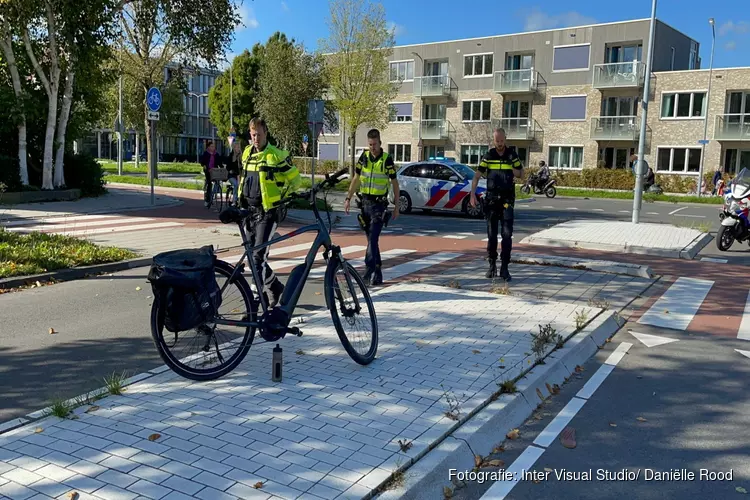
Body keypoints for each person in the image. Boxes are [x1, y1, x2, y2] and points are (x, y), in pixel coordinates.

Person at [237, 117, 302, 308]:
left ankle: (255, 301)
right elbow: (244, 180)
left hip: (268, 213)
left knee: (258, 259)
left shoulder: (276, 156)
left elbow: (295, 180)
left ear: (266, 133)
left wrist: (283, 197)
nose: (256, 138)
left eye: (259, 134)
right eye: (253, 134)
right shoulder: (247, 153)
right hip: (249, 213)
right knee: (252, 258)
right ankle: (275, 287)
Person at [343, 128, 399, 286]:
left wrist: (396, 207)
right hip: (365, 205)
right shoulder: (364, 157)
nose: (372, 147)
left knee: (373, 239)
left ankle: (368, 271)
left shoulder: (387, 159)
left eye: (374, 144)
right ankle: (378, 273)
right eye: (370, 144)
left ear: (380, 142)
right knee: (371, 241)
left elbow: (395, 183)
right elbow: (356, 178)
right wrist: (348, 198)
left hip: (379, 206)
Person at [469, 127, 523, 281]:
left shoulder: (512, 154)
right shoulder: (489, 155)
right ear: (494, 141)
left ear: (505, 139)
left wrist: (515, 171)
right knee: (492, 235)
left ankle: (504, 268)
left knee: (507, 235)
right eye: (497, 141)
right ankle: (492, 266)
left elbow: (521, 173)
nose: (500, 143)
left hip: (507, 200)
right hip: (492, 200)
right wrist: (472, 195)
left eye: (502, 141)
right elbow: (477, 176)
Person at [200, 140, 220, 207]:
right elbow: (202, 162)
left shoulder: (216, 154)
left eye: (214, 146)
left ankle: (213, 195)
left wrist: (223, 168)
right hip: (207, 170)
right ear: (208, 147)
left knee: (217, 182)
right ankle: (207, 199)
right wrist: (205, 166)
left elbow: (219, 162)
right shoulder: (206, 153)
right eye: (211, 146)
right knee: (209, 184)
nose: (213, 148)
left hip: (214, 170)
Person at [225, 139, 242, 205]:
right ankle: (234, 201)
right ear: (234, 148)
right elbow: (227, 167)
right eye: (236, 147)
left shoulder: (241, 156)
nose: (238, 148)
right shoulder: (231, 156)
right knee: (236, 184)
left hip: (239, 175)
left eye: (239, 147)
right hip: (232, 176)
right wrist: (230, 170)